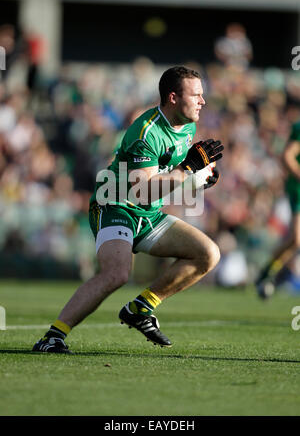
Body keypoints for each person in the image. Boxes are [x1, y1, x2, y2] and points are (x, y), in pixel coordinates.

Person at [32, 66, 224, 353]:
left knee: (208, 254)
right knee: (118, 273)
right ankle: (52, 337)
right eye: (195, 94)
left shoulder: (188, 125)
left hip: (148, 214)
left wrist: (199, 179)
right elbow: (143, 189)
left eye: (202, 94)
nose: (202, 101)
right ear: (173, 97)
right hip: (115, 205)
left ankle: (141, 307)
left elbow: (168, 177)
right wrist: (188, 171)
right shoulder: (144, 132)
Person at [255, 119, 300, 299]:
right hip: (298, 188)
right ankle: (268, 272)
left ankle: (268, 273)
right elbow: (287, 156)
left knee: (296, 241)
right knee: (296, 238)